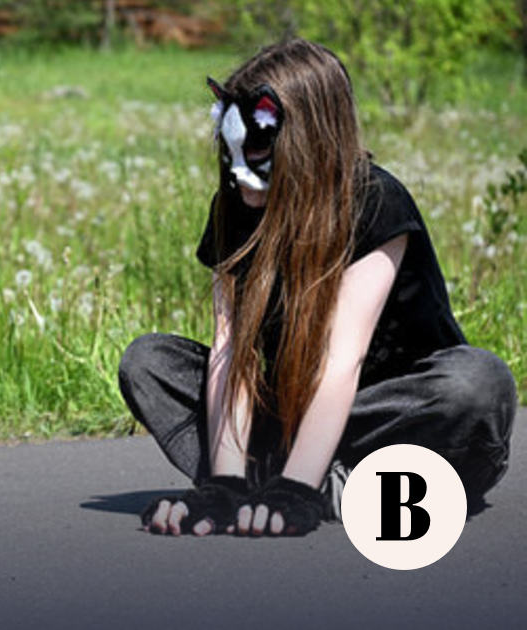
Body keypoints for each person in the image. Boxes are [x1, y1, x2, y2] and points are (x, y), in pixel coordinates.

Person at [117, 38, 517, 537]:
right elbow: (231, 355)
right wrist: (223, 486)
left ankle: (310, 480)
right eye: (229, 147)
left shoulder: (373, 201)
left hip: (395, 421)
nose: (239, 170)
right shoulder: (238, 208)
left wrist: (296, 491)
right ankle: (282, 482)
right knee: (149, 361)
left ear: (307, 142)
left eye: (258, 148)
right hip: (291, 414)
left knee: (477, 382)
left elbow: (340, 358)